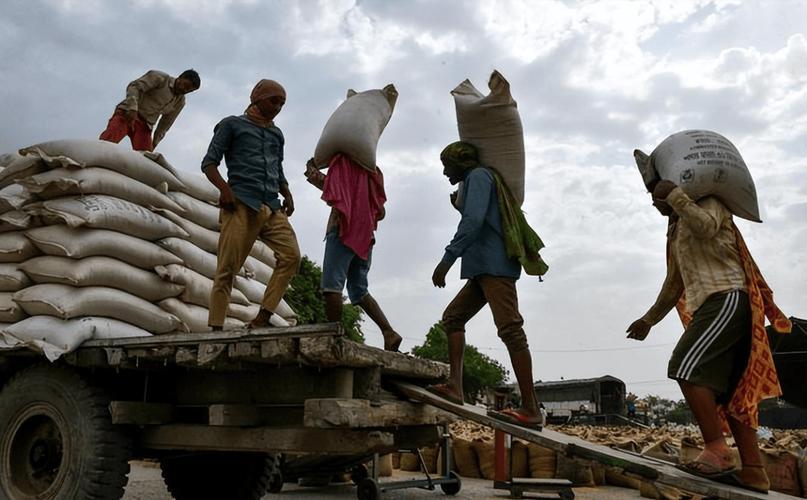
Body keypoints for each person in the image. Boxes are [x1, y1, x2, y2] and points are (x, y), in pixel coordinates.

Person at [626, 177, 791, 493]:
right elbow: (675, 284)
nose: (653, 200)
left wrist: (673, 194)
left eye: (655, 192)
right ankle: (755, 470)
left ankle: (717, 450)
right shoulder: (676, 230)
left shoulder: (709, 204)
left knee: (685, 367)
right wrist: (649, 319)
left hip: (727, 296)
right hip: (711, 305)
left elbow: (705, 227)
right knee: (733, 392)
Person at [428, 141, 548, 429]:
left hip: (495, 266)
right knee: (453, 318)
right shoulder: (473, 182)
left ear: (462, 163)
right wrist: (461, 206)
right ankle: (455, 387)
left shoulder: (478, 177)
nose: (445, 172)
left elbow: (474, 222)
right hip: (482, 268)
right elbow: (479, 217)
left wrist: (447, 260)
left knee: (510, 329)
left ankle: (531, 408)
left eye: (447, 165)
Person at [201, 79, 300, 330]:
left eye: (282, 103)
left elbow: (277, 167)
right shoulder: (231, 125)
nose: (278, 106)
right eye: (273, 100)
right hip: (241, 203)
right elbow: (209, 163)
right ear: (257, 98)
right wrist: (224, 190)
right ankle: (216, 329)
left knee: (291, 257)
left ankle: (262, 318)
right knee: (227, 269)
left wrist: (286, 191)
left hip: (271, 206)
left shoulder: (277, 134)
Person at [304, 154, 402, 351]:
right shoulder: (372, 171)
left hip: (343, 230)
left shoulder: (342, 163)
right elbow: (380, 212)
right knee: (359, 289)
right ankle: (388, 332)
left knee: (332, 286)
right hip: (365, 236)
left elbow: (332, 188)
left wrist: (312, 168)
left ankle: (334, 336)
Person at [100, 69, 200, 151]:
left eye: (189, 91)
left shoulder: (180, 101)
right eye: (185, 86)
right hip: (127, 114)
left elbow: (165, 124)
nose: (185, 90)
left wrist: (154, 143)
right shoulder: (160, 78)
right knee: (106, 143)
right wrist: (132, 108)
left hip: (145, 125)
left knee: (147, 160)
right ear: (181, 77)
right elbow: (134, 87)